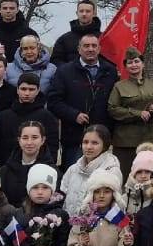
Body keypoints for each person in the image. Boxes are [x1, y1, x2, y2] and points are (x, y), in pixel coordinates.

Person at [47, 33, 119, 166]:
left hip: (102, 139)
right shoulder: (64, 71)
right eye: (86, 46)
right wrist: (74, 115)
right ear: (79, 49)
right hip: (74, 139)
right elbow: (53, 101)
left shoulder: (110, 71)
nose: (90, 49)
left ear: (99, 49)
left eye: (94, 46)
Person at [106, 48, 153, 170]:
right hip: (125, 142)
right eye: (129, 62)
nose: (134, 65)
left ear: (143, 64)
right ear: (126, 66)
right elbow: (112, 109)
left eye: (136, 61)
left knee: (147, 174)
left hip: (147, 140)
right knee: (124, 175)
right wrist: (138, 113)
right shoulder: (119, 86)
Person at [0, 76, 60, 174]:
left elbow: (52, 146)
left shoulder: (47, 117)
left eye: (31, 89)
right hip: (8, 170)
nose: (27, 93)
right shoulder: (3, 117)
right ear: (17, 90)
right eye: (23, 89)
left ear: (38, 90)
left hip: (39, 171)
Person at [60, 125, 122, 217]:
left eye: (95, 143)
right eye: (85, 142)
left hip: (96, 227)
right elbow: (62, 196)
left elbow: (114, 205)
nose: (88, 147)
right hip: (69, 226)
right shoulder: (73, 169)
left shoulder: (111, 171)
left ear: (105, 145)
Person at [0, 119, 53, 211]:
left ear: (43, 140)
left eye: (34, 137)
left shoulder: (52, 171)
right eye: (25, 138)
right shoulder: (4, 171)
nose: (29, 142)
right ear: (19, 140)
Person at [50, 0, 103, 65]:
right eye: (81, 11)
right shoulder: (64, 39)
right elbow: (55, 61)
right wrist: (69, 71)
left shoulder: (103, 38)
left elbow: (110, 61)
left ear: (94, 13)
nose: (84, 14)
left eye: (88, 11)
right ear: (77, 13)